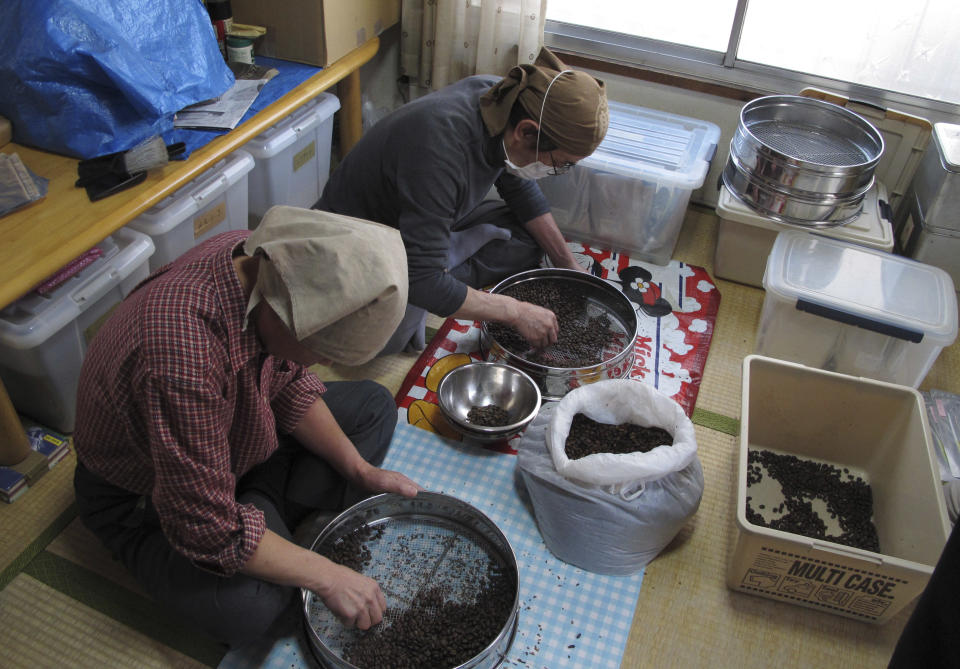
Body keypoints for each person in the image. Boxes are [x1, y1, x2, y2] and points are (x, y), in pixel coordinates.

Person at [72, 206, 421, 648]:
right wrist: (329, 577)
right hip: (145, 498)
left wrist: (359, 471)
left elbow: (286, 379)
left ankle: (258, 503)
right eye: (320, 349)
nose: (324, 363)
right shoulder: (182, 358)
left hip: (230, 436)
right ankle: (258, 513)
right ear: (281, 314)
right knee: (257, 609)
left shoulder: (265, 259)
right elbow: (205, 529)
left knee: (373, 404)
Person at [315, 47, 608, 354]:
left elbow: (518, 186)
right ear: (526, 131)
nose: (556, 171)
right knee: (379, 340)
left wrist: (567, 263)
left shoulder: (506, 101)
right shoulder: (439, 148)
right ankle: (437, 268)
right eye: (560, 163)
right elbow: (421, 279)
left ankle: (439, 261)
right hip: (356, 248)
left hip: (419, 217)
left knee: (530, 240)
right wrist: (515, 311)